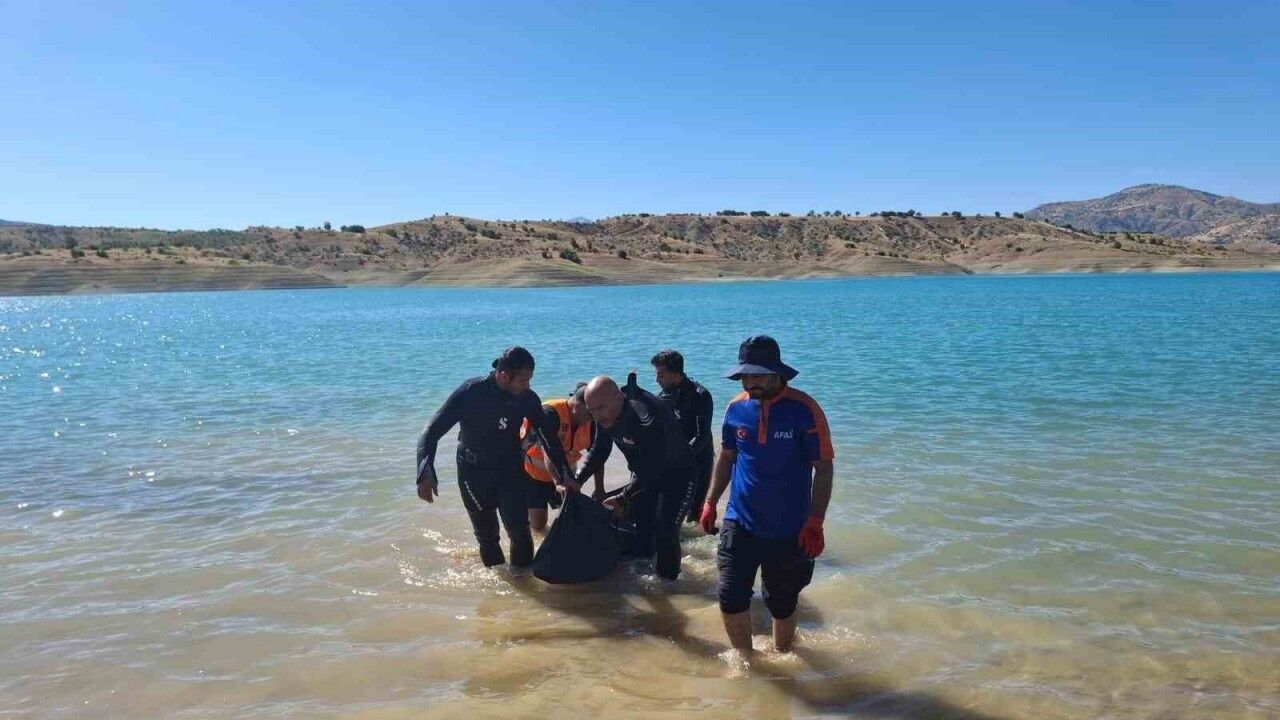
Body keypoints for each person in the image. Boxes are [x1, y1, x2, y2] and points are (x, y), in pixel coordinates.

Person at [699, 335, 834, 653]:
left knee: (781, 602)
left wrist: (815, 521)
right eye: (744, 375)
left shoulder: (805, 410)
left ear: (777, 372)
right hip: (739, 520)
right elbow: (727, 458)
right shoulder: (736, 408)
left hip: (790, 526)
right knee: (729, 595)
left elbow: (824, 468)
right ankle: (746, 662)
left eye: (757, 375)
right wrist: (710, 501)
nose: (749, 382)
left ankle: (783, 657)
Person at [416, 347, 574, 571]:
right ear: (504, 376)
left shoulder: (527, 399)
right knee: (487, 536)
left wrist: (564, 474)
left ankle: (522, 582)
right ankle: (499, 585)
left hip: (510, 469)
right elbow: (431, 431)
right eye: (523, 380)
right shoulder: (471, 392)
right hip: (473, 472)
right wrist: (425, 470)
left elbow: (549, 438)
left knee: (520, 533)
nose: (528, 385)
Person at [575, 374, 695, 580]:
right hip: (644, 475)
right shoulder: (603, 415)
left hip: (679, 475)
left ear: (618, 397)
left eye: (600, 408)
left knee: (666, 531)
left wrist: (623, 497)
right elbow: (600, 450)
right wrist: (576, 480)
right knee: (641, 527)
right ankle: (642, 579)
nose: (596, 416)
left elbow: (654, 468)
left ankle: (670, 586)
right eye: (591, 410)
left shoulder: (643, 413)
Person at [520, 382, 605, 533]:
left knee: (574, 517)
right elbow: (549, 451)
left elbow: (598, 456)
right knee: (538, 525)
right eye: (590, 414)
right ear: (577, 406)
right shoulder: (550, 413)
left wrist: (599, 488)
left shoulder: (591, 423)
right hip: (534, 475)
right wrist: (557, 482)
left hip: (567, 474)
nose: (592, 418)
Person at [651, 349, 715, 524]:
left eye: (660, 374)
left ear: (675, 373)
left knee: (692, 515)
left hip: (699, 461)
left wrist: (676, 460)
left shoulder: (700, 395)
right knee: (668, 511)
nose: (656, 380)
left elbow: (701, 436)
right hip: (675, 462)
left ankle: (696, 541)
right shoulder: (663, 397)